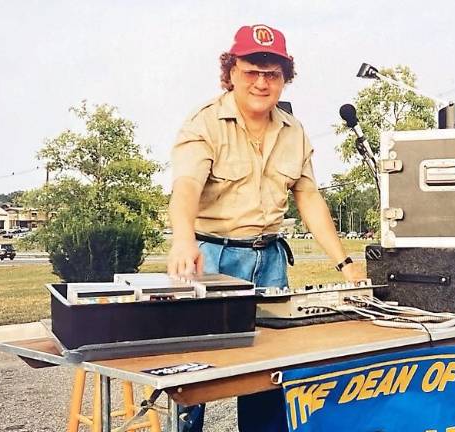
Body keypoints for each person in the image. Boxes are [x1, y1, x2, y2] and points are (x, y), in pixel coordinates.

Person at [167, 24, 364, 431]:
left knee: (272, 377)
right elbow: (186, 185)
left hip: (270, 263)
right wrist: (183, 240)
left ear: (284, 78)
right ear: (231, 72)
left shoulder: (294, 131)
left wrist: (345, 263)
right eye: (251, 71)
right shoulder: (204, 123)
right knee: (194, 380)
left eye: (272, 73)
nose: (261, 82)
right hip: (211, 260)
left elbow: (308, 197)